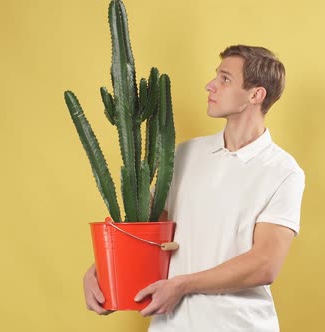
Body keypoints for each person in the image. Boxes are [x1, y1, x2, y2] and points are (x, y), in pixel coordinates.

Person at [83, 45, 306, 331]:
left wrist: (182, 285)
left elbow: (264, 264)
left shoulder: (283, 171)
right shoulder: (184, 154)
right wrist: (101, 271)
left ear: (256, 95)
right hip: (171, 325)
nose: (210, 86)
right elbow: (144, 231)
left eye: (225, 79)